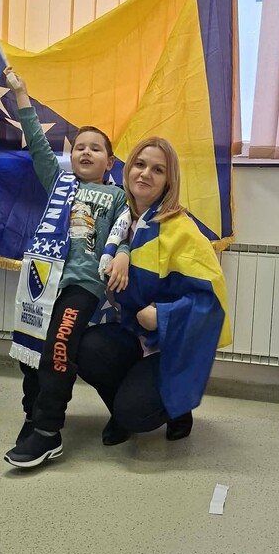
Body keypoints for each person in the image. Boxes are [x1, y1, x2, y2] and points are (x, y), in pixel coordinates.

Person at [3, 70, 130, 470]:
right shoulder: (60, 184)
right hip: (44, 280)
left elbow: (127, 234)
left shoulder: (117, 195)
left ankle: (48, 430)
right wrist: (22, 96)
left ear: (110, 161)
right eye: (79, 148)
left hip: (82, 285)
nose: (86, 153)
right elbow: (38, 145)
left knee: (59, 345)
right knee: (30, 350)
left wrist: (124, 252)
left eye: (96, 148)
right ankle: (32, 416)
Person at [76, 137, 231, 445]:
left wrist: (162, 315)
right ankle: (121, 408)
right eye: (140, 164)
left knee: (136, 413)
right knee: (86, 348)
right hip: (130, 332)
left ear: (168, 181)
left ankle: (177, 407)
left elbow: (210, 301)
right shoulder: (115, 218)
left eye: (158, 170)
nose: (145, 174)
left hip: (169, 343)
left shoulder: (182, 230)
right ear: (128, 169)